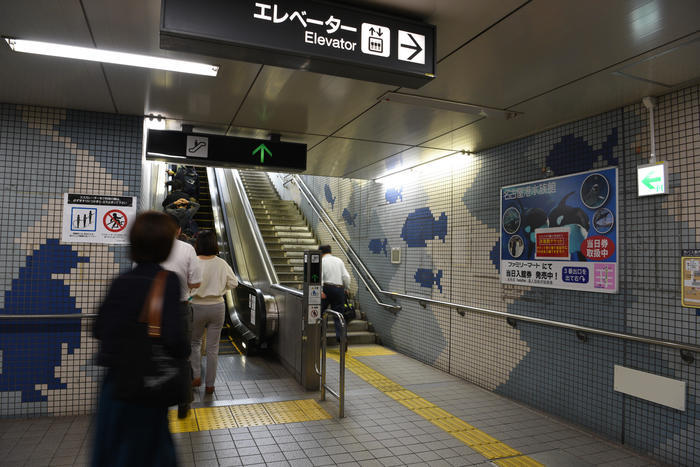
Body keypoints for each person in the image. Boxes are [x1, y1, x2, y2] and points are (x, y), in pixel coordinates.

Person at [92, 211, 188, 466]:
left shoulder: (121, 280)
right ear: (166, 246)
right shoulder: (167, 282)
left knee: (112, 452)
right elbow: (176, 339)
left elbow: (99, 328)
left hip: (114, 384)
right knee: (149, 453)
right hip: (146, 382)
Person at [160, 214, 202, 415]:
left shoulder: (150, 247)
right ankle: (184, 402)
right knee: (183, 354)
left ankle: (159, 401)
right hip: (180, 308)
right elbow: (196, 282)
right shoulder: (187, 249)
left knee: (158, 352)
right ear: (178, 230)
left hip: (154, 308)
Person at [190, 230, 238, 395]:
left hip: (196, 305)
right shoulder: (221, 263)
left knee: (195, 343)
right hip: (217, 306)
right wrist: (221, 290)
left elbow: (187, 283)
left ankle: (195, 376)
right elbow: (234, 283)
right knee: (213, 348)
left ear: (198, 245)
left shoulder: (193, 262)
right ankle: (210, 385)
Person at [319, 244, 351, 350]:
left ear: (321, 252)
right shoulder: (339, 260)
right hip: (339, 289)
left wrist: (320, 291)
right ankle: (342, 339)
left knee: (321, 313)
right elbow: (346, 277)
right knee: (338, 315)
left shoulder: (321, 261)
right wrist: (346, 288)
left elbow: (318, 277)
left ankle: (320, 336)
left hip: (326, 289)